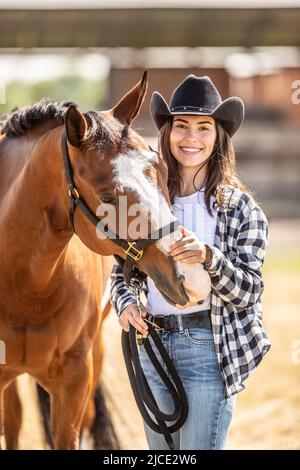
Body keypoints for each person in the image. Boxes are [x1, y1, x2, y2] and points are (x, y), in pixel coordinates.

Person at [110, 75, 271, 450]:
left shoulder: (240, 209)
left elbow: (249, 290)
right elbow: (121, 271)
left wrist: (209, 257)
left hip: (209, 347)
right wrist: (126, 303)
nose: (191, 138)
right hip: (152, 346)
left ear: (218, 137)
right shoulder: (140, 204)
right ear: (166, 132)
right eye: (181, 126)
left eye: (203, 128)